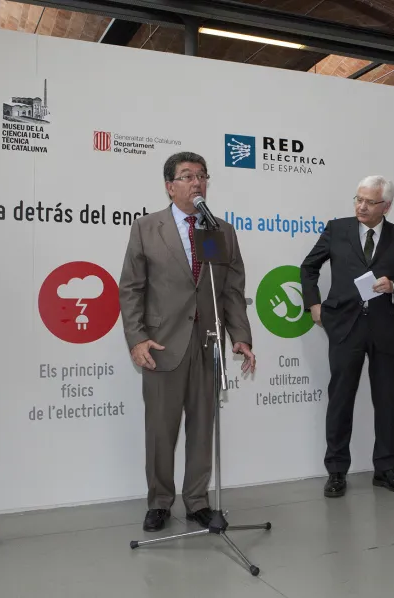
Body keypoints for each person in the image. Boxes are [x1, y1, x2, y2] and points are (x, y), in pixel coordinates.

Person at [119, 151, 255, 532]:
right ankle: (160, 501)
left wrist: (240, 337)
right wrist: (137, 338)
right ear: (169, 186)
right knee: (161, 428)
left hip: (208, 341)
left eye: (202, 176)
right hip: (162, 343)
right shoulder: (147, 227)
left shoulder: (219, 231)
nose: (197, 182)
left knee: (202, 426)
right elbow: (131, 288)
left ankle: (197, 500)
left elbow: (230, 289)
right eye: (187, 176)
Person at [300, 175, 394, 498]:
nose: (361, 206)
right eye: (358, 199)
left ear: (387, 206)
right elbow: (308, 267)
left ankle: (386, 468)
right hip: (344, 326)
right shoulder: (337, 229)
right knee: (340, 400)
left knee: (386, 399)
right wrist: (314, 305)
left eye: (369, 202)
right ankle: (337, 471)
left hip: (386, 328)